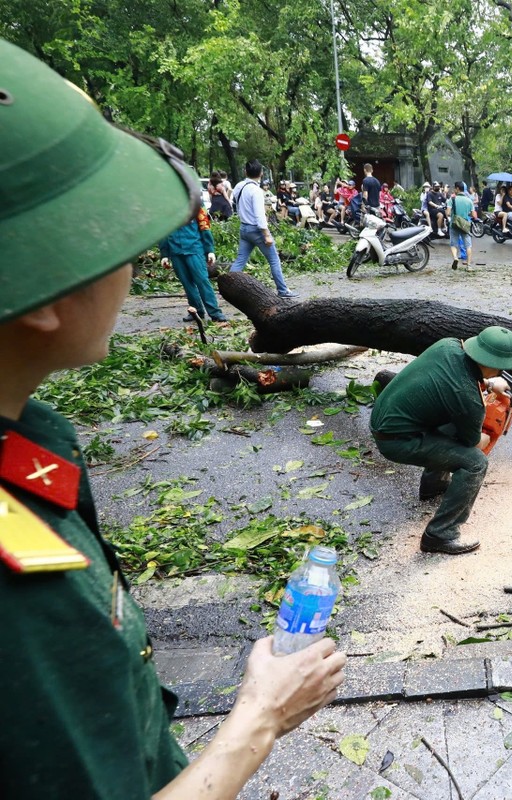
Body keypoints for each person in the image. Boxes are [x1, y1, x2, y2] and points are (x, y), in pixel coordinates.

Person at [0, 40, 347, 799]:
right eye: (116, 239)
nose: (133, 267)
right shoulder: (21, 600)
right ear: (42, 292)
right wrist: (260, 717)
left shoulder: (34, 437)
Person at [369, 326, 512, 555]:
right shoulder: (468, 400)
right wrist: (489, 433)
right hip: (396, 441)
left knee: (452, 425)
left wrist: (489, 384)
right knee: (475, 463)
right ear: (496, 364)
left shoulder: (449, 345)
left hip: (384, 418)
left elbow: (454, 379)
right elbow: (473, 443)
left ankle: (433, 485)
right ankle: (440, 535)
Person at [229, 160, 298, 298]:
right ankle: (283, 291)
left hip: (244, 228)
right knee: (274, 260)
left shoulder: (239, 186)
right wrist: (266, 235)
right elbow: (260, 215)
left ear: (245, 172)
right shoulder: (256, 191)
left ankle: (228, 288)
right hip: (256, 230)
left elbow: (233, 200)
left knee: (240, 260)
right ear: (261, 173)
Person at [159, 199, 229, 323]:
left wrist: (209, 249)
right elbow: (163, 230)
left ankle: (215, 313)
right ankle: (196, 311)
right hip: (175, 251)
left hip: (194, 248)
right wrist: (164, 254)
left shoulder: (195, 202)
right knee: (187, 283)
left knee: (202, 281)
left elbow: (204, 225)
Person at [447, 180, 475, 271]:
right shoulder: (469, 200)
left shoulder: (452, 199)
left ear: (457, 189)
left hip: (454, 224)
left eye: (454, 188)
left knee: (453, 244)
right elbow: (473, 215)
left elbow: (448, 213)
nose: (454, 190)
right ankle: (469, 266)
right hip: (465, 225)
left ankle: (455, 258)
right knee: (468, 245)